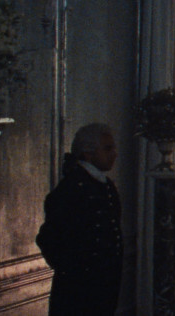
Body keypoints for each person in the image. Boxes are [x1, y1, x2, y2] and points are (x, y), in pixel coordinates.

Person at [37, 123, 123, 316]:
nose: (114, 154)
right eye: (107, 148)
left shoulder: (105, 186)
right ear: (88, 153)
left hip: (104, 286)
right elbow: (48, 239)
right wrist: (74, 272)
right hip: (78, 292)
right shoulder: (73, 188)